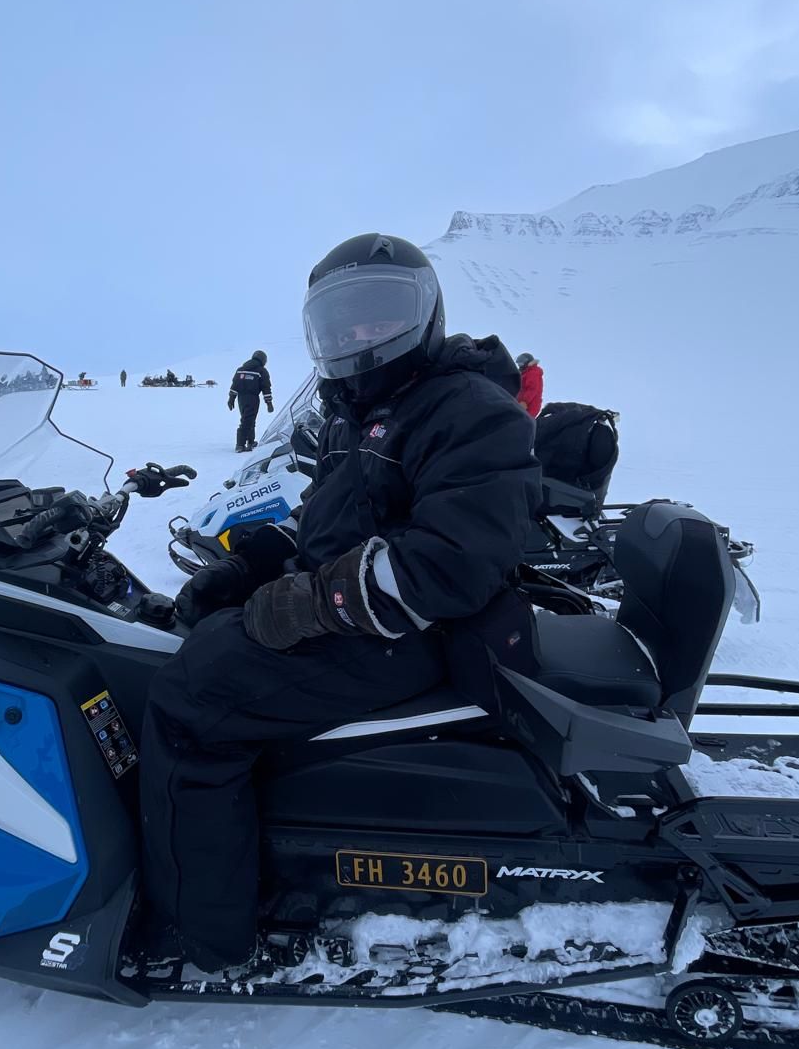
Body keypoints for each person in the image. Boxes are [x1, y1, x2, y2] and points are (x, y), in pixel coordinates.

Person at [140, 233, 541, 972]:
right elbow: (329, 521)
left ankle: (199, 935)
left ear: (423, 315)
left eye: (378, 316)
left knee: (189, 705)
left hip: (417, 632)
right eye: (344, 322)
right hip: (375, 620)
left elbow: (450, 565)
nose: (360, 337)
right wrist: (250, 564)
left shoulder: (467, 410)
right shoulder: (366, 411)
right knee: (194, 641)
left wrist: (307, 603)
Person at [228, 349, 274, 452]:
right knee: (247, 420)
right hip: (252, 398)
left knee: (248, 419)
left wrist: (231, 398)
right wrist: (269, 403)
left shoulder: (240, 370)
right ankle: (240, 444)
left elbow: (235, 384)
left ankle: (251, 441)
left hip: (241, 399)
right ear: (263, 360)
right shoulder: (261, 371)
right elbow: (266, 388)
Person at [516, 352, 544, 417]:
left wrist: (524, 401)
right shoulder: (525, 373)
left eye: (522, 361)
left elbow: (532, 388)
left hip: (529, 406)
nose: (520, 364)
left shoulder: (533, 372)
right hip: (521, 404)